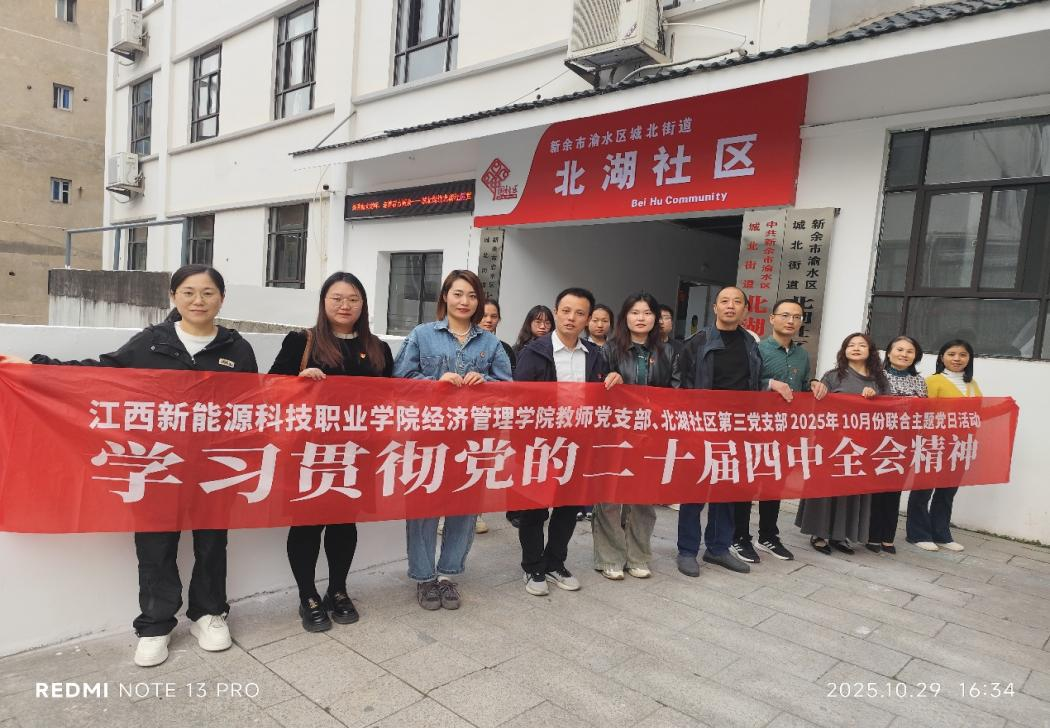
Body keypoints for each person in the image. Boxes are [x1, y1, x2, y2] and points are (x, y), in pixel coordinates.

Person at [0, 265, 257, 668]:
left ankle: (208, 614)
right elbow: (102, 375)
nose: (198, 301)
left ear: (221, 299)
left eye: (208, 293)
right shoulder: (151, 343)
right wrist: (37, 368)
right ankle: (155, 625)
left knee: (212, 543)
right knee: (155, 545)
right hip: (156, 464)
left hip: (213, 466)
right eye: (188, 292)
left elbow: (255, 405)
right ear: (173, 297)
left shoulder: (237, 350)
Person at [269, 272, 393, 632]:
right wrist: (298, 383)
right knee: (306, 526)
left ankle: (337, 589)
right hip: (309, 452)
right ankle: (307, 596)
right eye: (336, 298)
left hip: (357, 452)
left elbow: (392, 397)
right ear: (323, 302)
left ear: (363, 304)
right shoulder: (301, 341)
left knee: (343, 523)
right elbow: (271, 388)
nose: (345, 305)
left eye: (353, 299)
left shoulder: (378, 348)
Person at [392, 269, 512, 610]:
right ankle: (423, 577)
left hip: (473, 440)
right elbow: (399, 380)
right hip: (428, 437)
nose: (464, 301)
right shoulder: (422, 334)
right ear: (445, 296)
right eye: (458, 294)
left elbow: (509, 388)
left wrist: (486, 382)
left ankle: (447, 575)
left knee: (464, 507)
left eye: (472, 296)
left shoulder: (491, 343)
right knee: (423, 508)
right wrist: (435, 382)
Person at [513, 287, 609, 596]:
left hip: (578, 445)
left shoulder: (595, 355)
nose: (571, 318)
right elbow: (521, 399)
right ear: (556, 312)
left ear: (588, 319)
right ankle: (532, 566)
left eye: (580, 313)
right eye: (566, 311)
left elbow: (603, 396)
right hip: (539, 444)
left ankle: (555, 562)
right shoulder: (535, 351)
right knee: (534, 508)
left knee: (568, 508)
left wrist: (615, 379)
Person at [734, 298, 829, 564]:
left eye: (797, 317)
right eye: (785, 315)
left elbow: (802, 384)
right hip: (755, 429)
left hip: (786, 431)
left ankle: (768, 536)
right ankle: (739, 537)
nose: (791, 321)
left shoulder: (801, 354)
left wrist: (814, 383)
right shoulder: (755, 349)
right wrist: (769, 383)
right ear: (772, 319)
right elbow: (744, 384)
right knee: (747, 485)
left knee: (774, 484)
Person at [597, 293, 681, 579]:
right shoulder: (610, 350)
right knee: (610, 498)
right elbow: (597, 391)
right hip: (616, 433)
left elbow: (677, 394)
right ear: (625, 317)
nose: (641, 318)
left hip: (651, 435)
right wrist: (610, 381)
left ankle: (638, 555)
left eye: (647, 313)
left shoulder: (668, 352)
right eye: (635, 312)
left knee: (643, 500)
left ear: (656, 318)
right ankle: (609, 557)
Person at [676, 285, 757, 577]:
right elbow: (680, 385)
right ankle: (687, 550)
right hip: (702, 427)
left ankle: (718, 548)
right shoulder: (697, 342)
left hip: (737, 429)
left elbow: (754, 383)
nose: (730, 306)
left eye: (737, 302)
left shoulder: (750, 343)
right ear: (715, 308)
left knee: (726, 490)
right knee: (694, 491)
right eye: (724, 301)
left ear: (745, 309)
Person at [796, 332, 889, 555]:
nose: (856, 348)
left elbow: (889, 409)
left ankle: (841, 535)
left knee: (852, 490)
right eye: (851, 345)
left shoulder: (879, 380)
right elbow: (818, 407)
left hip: (863, 445)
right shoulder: (833, 376)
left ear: (871, 351)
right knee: (826, 488)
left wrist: (875, 399)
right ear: (844, 351)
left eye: (862, 345)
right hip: (832, 442)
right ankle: (819, 534)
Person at [907, 339, 982, 552]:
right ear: (942, 357)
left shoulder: (972, 384)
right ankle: (918, 533)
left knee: (947, 492)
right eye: (951, 354)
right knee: (923, 491)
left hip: (959, 446)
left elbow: (976, 414)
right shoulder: (934, 381)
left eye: (963, 355)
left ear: (969, 358)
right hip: (934, 444)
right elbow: (922, 414)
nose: (957, 359)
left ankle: (941, 533)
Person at [869, 335, 926, 555]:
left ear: (916, 356)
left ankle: (887, 537)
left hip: (905, 442)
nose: (904, 354)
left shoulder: (919, 381)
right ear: (889, 353)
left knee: (894, 490)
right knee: (876, 490)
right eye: (899, 350)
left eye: (909, 351)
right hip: (879, 442)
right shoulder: (875, 376)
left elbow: (923, 412)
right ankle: (872, 536)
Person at [480, 299, 516, 373]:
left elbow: (510, 376)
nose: (489, 320)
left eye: (494, 316)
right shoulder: (466, 345)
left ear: (499, 319)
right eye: (484, 315)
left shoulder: (505, 349)